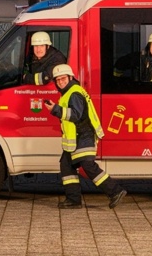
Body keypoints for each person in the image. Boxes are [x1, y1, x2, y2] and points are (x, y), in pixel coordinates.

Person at [44, 64, 127, 209]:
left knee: (88, 166)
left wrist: (55, 109)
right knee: (66, 165)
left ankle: (115, 191)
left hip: (83, 135)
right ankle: (73, 199)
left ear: (70, 77)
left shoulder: (74, 93)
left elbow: (76, 115)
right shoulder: (69, 92)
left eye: (63, 79)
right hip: (77, 138)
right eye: (58, 80)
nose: (61, 82)